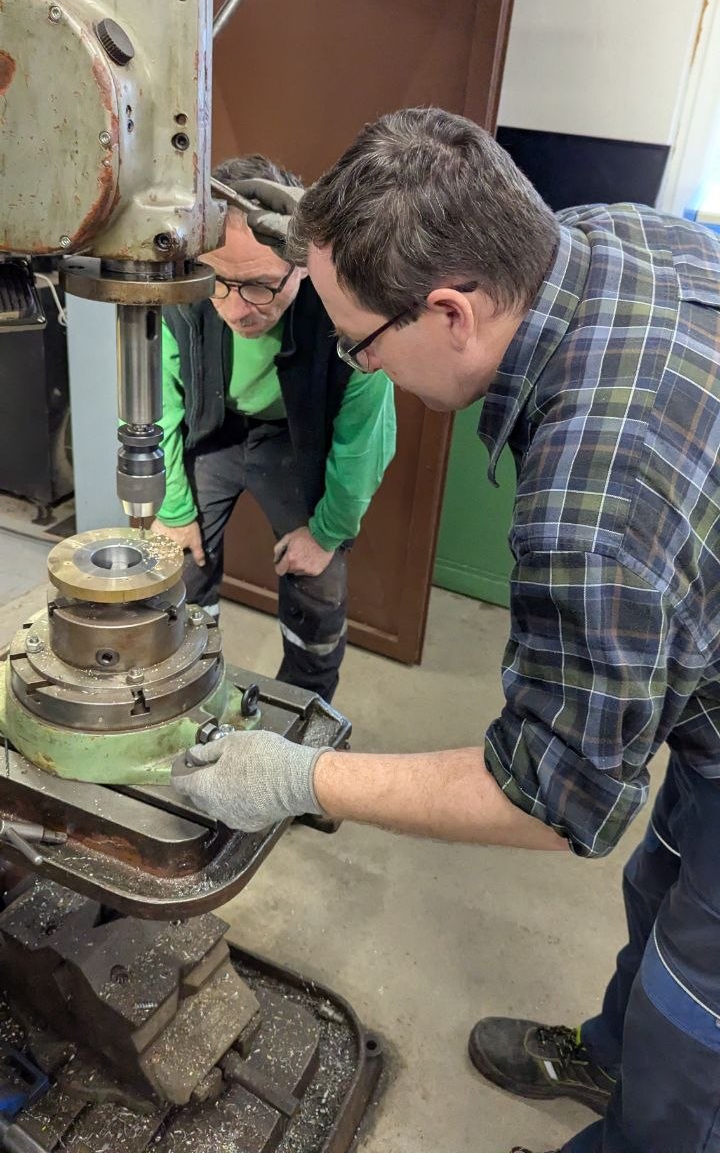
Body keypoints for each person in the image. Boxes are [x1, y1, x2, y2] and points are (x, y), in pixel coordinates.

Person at [172, 110, 720, 1153]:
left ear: (451, 313)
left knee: (697, 1013)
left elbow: (551, 796)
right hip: (706, 676)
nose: (355, 360)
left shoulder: (597, 509)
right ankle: (611, 1053)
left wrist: (297, 777)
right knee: (662, 879)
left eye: (358, 342)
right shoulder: (595, 236)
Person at [152, 154, 396, 702]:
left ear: (303, 266)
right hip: (214, 430)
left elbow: (364, 439)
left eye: (261, 286)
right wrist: (173, 510)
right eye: (220, 282)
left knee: (318, 582)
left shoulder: (346, 314)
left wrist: (327, 534)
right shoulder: (183, 292)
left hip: (291, 439)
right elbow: (155, 407)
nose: (238, 310)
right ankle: (186, 690)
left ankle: (302, 710)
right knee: (176, 566)